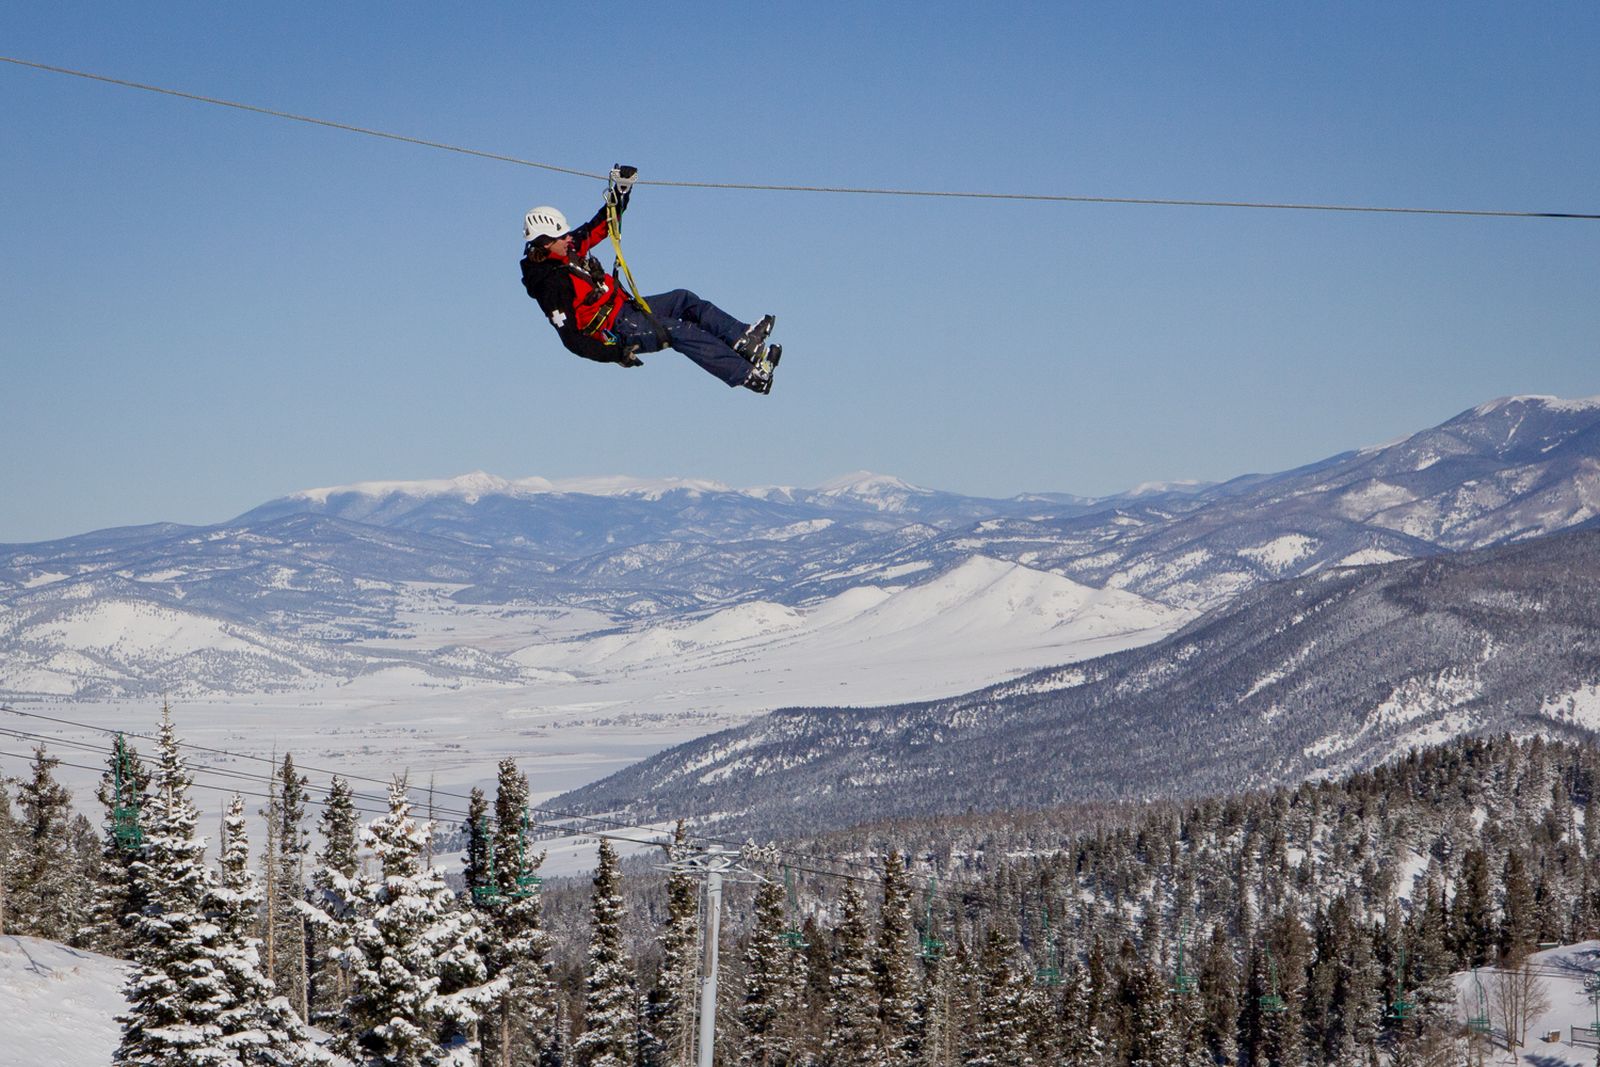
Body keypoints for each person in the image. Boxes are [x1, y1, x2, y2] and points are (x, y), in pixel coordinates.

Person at [520, 166, 780, 394]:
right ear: (544, 243)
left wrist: (621, 192)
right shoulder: (550, 286)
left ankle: (743, 339)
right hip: (617, 331)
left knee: (683, 299)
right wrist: (616, 353)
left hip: (626, 308)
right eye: (562, 237)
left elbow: (599, 225)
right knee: (679, 330)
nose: (569, 239)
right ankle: (749, 376)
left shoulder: (568, 249)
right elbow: (572, 340)